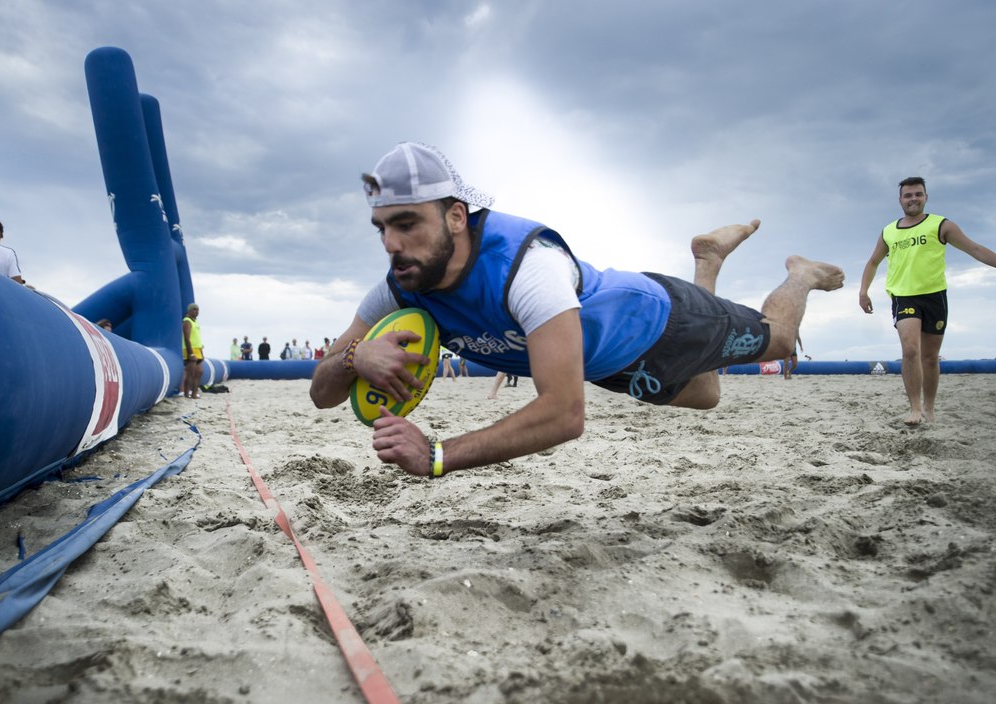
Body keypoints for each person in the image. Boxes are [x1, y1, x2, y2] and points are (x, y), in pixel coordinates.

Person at [310, 142, 844, 478]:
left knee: (775, 338)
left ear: (455, 217)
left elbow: (565, 413)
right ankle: (709, 260)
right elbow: (321, 392)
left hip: (662, 321)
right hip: (610, 364)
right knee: (707, 394)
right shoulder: (402, 284)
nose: (392, 245)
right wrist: (355, 356)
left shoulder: (527, 268)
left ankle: (800, 275)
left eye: (407, 224)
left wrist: (438, 455)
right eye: (383, 228)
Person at [859, 176, 996, 425]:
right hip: (904, 295)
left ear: (926, 197)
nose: (913, 199)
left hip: (934, 297)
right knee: (910, 349)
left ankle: (929, 409)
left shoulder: (941, 225)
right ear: (900, 199)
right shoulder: (889, 231)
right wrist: (863, 291)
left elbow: (974, 249)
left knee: (930, 357)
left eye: (918, 194)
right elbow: (873, 262)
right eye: (908, 195)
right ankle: (914, 408)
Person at [182, 304, 204, 399]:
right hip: (190, 350)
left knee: (199, 372)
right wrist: (190, 353)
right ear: (189, 311)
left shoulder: (195, 322)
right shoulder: (187, 321)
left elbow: (197, 338)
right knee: (190, 373)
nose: (196, 311)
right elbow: (187, 338)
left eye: (198, 310)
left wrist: (201, 352)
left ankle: (194, 394)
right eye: (194, 309)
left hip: (198, 350)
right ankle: (186, 394)